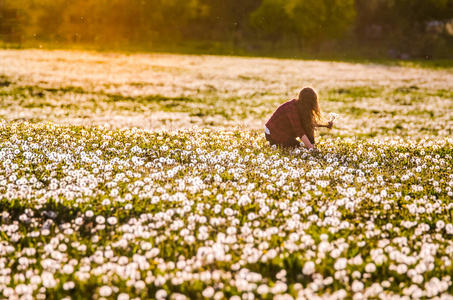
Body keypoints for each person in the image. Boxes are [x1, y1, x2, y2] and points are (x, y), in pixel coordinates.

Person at [265, 86, 336, 149]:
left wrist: (326, 124)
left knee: (308, 127)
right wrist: (311, 149)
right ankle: (311, 148)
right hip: (272, 133)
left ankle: (311, 147)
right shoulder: (291, 108)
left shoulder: (303, 108)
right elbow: (299, 130)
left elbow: (309, 123)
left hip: (287, 132)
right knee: (299, 148)